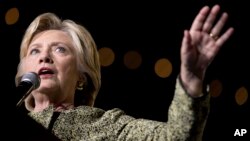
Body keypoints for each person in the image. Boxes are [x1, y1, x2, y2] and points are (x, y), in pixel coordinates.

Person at [14, 4, 234, 141]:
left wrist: (191, 77)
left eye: (60, 49)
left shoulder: (106, 126)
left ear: (82, 77)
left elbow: (175, 137)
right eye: (34, 51)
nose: (44, 57)